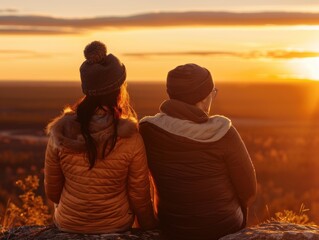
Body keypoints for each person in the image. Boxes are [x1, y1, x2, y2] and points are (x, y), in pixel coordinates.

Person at [44, 41, 157, 234]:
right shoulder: (129, 135)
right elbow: (139, 195)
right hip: (116, 225)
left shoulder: (62, 131)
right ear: (119, 89)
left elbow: (53, 192)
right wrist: (150, 228)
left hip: (69, 223)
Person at [139, 63, 257, 240]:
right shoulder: (223, 132)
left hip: (173, 226)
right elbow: (249, 189)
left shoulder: (148, 129)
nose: (213, 98)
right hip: (223, 227)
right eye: (212, 93)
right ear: (202, 99)